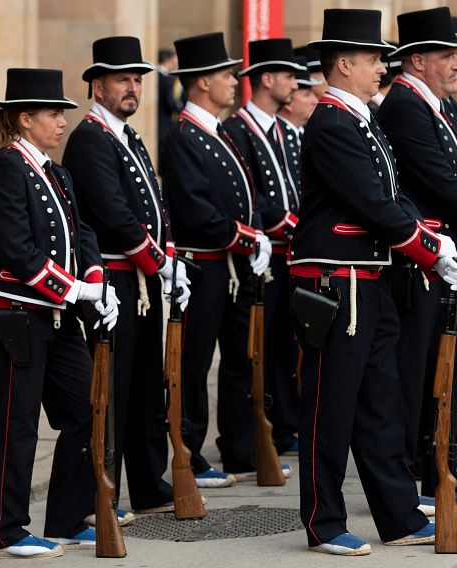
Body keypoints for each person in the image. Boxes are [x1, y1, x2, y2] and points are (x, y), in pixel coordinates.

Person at [292, 8, 457, 555]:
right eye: (372, 60)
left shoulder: (361, 119)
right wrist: (427, 245)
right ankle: (323, 522)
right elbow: (369, 202)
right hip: (338, 282)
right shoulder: (332, 122)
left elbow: (392, 197)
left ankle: (396, 515)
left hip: (370, 278)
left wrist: (428, 235)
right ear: (343, 64)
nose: (380, 69)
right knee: (331, 406)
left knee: (380, 402)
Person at [0, 67, 119, 558]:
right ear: (24, 118)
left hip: (56, 316)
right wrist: (74, 289)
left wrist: (97, 279)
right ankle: (8, 529)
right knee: (16, 425)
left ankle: (62, 516)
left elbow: (83, 234)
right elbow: (16, 248)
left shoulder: (56, 172)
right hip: (19, 316)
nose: (62, 122)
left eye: (62, 113)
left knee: (85, 409)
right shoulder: (6, 167)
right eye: (52, 113)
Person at [375, 6, 457, 508]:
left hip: (450, 257)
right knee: (419, 369)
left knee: (448, 366)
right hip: (422, 262)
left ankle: (440, 461)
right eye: (448, 55)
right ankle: (417, 468)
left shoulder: (433, 104)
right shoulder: (406, 107)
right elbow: (438, 180)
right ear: (417, 61)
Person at [63, 36, 193, 515]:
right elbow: (115, 215)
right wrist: (160, 263)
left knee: (144, 387)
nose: (133, 88)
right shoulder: (90, 138)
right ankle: (104, 490)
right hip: (116, 281)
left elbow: (154, 205)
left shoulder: (126, 135)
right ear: (97, 86)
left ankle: (147, 481)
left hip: (143, 281)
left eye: (137, 80)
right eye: (123, 80)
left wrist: (169, 258)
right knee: (112, 388)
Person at [160, 31, 260, 487]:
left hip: (231, 266)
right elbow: (196, 209)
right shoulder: (184, 134)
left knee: (239, 357)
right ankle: (189, 451)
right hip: (203, 264)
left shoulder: (215, 132)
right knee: (194, 363)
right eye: (225, 75)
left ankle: (238, 448)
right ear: (201, 82)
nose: (234, 82)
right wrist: (245, 236)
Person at [224, 39, 305, 460]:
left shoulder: (279, 129)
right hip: (263, 255)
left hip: (286, 252)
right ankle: (247, 436)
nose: (295, 83)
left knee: (281, 345)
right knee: (253, 352)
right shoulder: (238, 129)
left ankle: (281, 425)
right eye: (289, 75)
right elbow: (257, 200)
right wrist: (299, 228)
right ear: (267, 79)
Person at [156, 48, 184, 171]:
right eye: (174, 59)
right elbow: (170, 102)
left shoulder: (155, 76)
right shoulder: (168, 79)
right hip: (165, 122)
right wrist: (179, 107)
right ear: (168, 60)